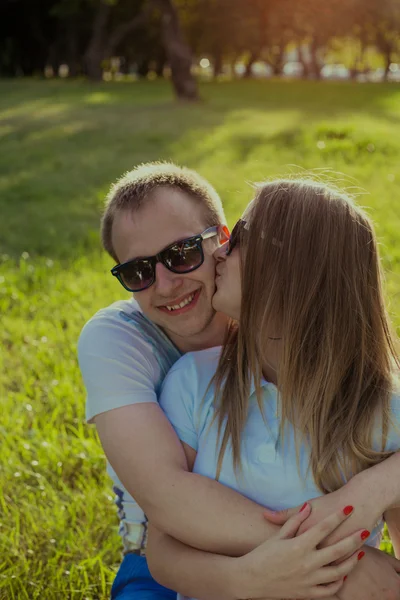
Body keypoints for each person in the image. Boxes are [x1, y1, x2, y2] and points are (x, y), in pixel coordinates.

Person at [78, 164, 400, 600]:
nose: (167, 284)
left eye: (182, 253)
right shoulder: (180, 374)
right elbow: (167, 515)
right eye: (138, 272)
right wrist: (313, 564)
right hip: (191, 562)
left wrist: (375, 488)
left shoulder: (378, 406)